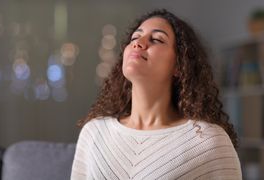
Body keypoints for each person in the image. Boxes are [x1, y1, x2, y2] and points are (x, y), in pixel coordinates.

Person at [71, 9, 242, 179]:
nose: (138, 43)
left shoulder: (208, 141)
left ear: (179, 65)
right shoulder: (94, 133)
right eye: (135, 38)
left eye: (156, 39)